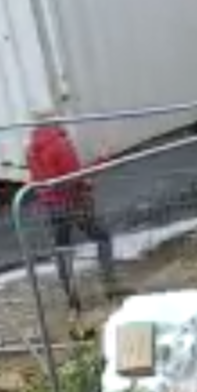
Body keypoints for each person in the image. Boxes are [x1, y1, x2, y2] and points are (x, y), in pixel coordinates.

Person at [25, 112, 123, 311]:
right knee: (102, 236)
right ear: (54, 122)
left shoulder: (30, 148)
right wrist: (102, 160)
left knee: (62, 249)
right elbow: (75, 178)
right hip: (72, 202)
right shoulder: (60, 144)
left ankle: (72, 298)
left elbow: (40, 177)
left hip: (51, 206)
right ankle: (110, 285)